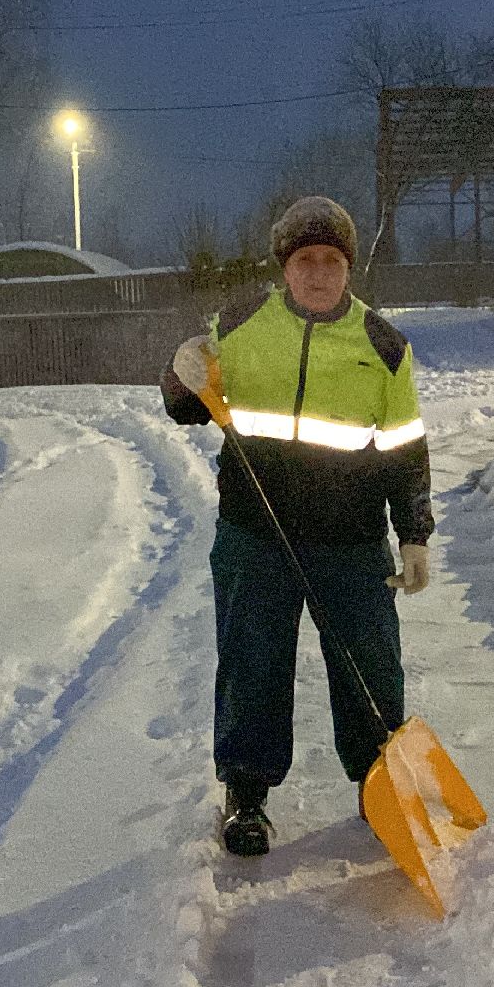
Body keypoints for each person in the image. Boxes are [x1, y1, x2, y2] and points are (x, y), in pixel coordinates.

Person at [161, 196, 434, 857]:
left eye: (331, 261)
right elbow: (188, 408)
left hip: (350, 541)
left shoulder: (384, 347)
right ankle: (246, 796)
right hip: (256, 535)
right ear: (285, 268)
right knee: (253, 663)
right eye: (306, 261)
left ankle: (381, 784)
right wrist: (181, 375)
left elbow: (404, 450)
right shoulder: (243, 325)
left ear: (349, 268)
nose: (318, 273)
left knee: (370, 666)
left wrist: (415, 533)